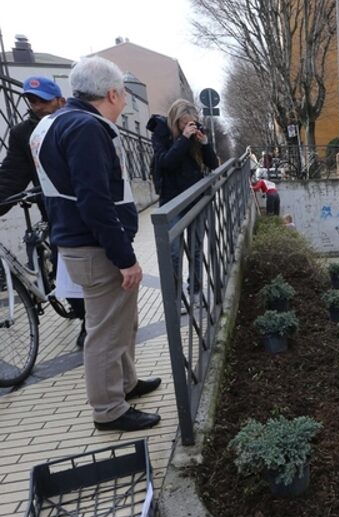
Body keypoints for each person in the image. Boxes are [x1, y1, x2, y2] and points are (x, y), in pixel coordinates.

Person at [30, 57, 161, 432]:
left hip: (80, 240)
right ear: (113, 93)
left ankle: (125, 384)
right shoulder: (86, 127)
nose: (123, 104)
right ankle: (109, 409)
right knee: (105, 330)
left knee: (120, 321)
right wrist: (125, 258)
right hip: (95, 247)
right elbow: (94, 199)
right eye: (123, 95)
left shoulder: (53, 124)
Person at [0, 76, 87, 348]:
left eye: (43, 101)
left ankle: (94, 322)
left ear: (60, 99)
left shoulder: (76, 122)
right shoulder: (22, 134)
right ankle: (86, 319)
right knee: (66, 271)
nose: (37, 106)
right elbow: (12, 174)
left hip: (86, 207)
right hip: (56, 212)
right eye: (32, 101)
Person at [148, 99, 219, 304]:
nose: (188, 126)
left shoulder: (194, 138)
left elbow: (213, 164)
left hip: (195, 199)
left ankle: (195, 289)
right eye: (184, 123)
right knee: (174, 253)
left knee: (196, 249)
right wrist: (183, 139)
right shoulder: (161, 134)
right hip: (172, 202)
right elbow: (167, 163)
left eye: (192, 123)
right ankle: (176, 296)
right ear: (175, 121)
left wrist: (204, 143)